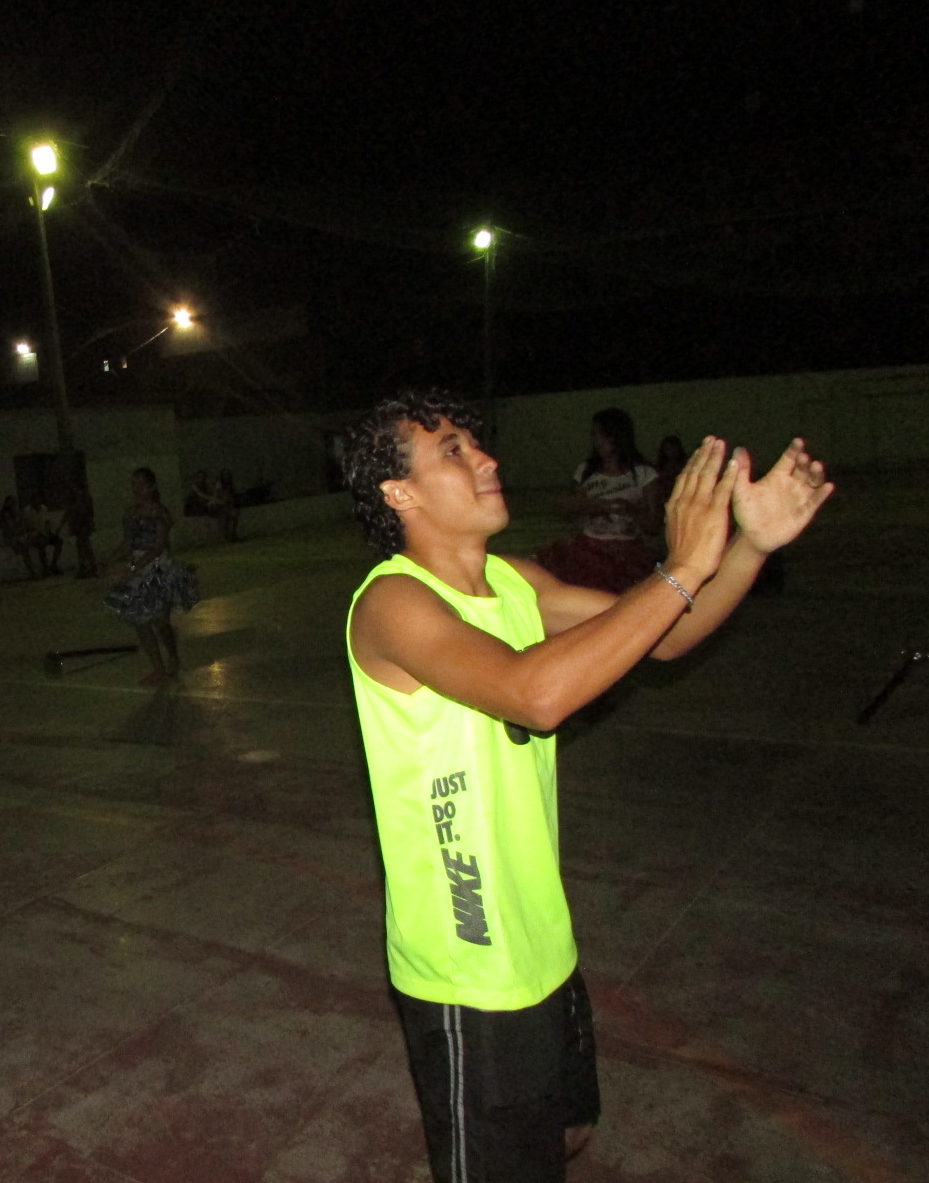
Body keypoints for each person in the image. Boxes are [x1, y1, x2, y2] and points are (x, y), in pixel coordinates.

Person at [342, 388, 831, 1182]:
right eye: (453, 451)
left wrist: (749, 546)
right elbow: (533, 693)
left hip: (544, 937)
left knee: (565, 1129)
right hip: (470, 966)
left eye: (476, 441)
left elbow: (664, 634)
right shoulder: (392, 602)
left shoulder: (516, 582)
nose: (486, 457)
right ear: (399, 494)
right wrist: (683, 566)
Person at [534, 408, 660, 594]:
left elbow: (654, 526)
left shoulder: (644, 474)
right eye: (594, 435)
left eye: (603, 435)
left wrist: (631, 510)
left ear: (618, 437)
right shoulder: (585, 471)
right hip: (589, 549)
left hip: (628, 551)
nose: (597, 441)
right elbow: (568, 513)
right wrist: (588, 506)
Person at [103, 467, 199, 684]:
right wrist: (109, 561)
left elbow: (159, 546)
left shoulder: (160, 513)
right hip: (138, 566)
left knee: (161, 621)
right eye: (134, 483)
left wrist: (134, 568)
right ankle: (158, 668)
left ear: (152, 487)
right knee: (140, 620)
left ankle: (172, 655)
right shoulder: (130, 513)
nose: (136, 487)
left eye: (141, 483)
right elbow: (127, 543)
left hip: (159, 567)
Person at [0, 495, 42, 580]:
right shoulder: (6, 515)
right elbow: (10, 529)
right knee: (24, 548)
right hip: (12, 537)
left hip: (20, 536)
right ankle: (33, 571)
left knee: (32, 539)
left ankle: (36, 570)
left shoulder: (18, 513)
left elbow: (25, 524)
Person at [63, 482, 99, 578]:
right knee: (82, 545)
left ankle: (90, 566)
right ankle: (87, 566)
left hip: (84, 524)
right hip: (79, 525)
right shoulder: (75, 498)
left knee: (85, 545)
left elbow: (86, 512)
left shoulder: (83, 498)